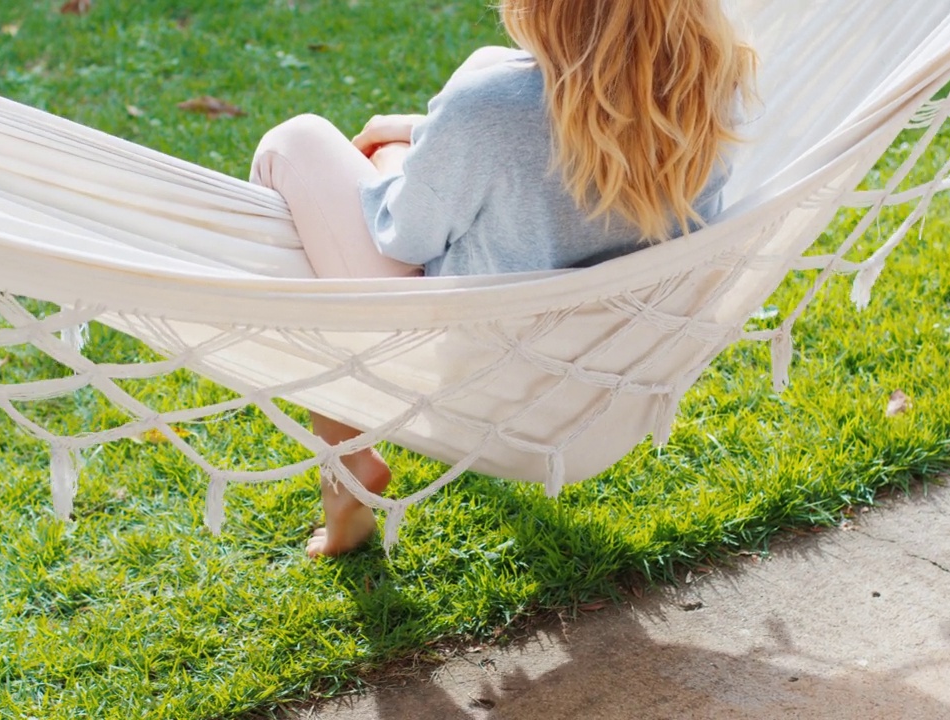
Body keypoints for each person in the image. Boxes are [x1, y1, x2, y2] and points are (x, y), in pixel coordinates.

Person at [249, 0, 756, 558]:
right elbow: (559, 143)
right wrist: (423, 132)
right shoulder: (711, 86)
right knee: (489, 68)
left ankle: (345, 468)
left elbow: (403, 237)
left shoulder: (487, 106)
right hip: (614, 378)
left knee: (292, 144)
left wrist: (397, 152)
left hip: (471, 377)